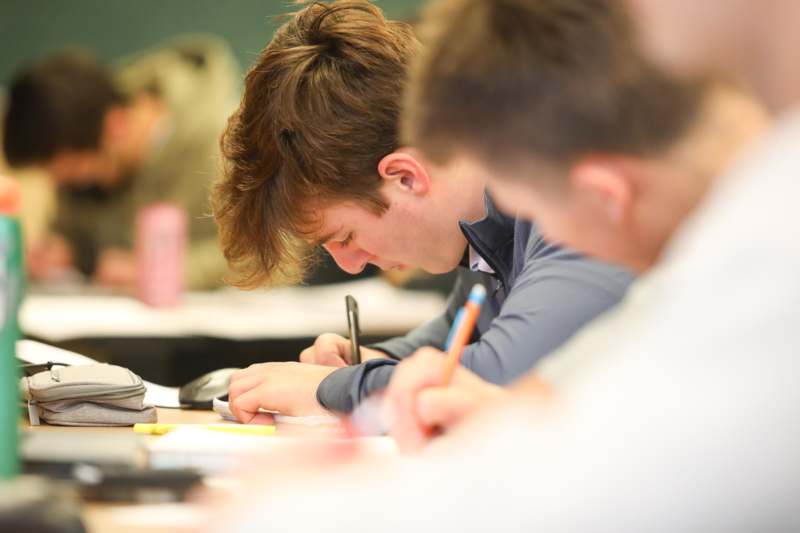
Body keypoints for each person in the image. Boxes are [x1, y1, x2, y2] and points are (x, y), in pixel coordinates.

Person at [206, 0, 800, 530]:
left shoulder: (757, 261)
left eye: (527, 208)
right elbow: (557, 402)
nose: (514, 223)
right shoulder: (735, 240)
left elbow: (619, 473)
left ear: (605, 193)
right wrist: (492, 407)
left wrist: (305, 478)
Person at [213, 0, 632, 421]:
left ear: (405, 177)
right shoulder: (484, 219)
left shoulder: (574, 192)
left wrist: (330, 389)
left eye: (345, 237)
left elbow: (501, 377)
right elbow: (458, 333)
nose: (350, 265)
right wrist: (378, 359)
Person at [2, 35, 239, 290]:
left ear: (115, 126)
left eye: (77, 175)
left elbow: (261, 254)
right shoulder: (80, 127)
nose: (74, 187)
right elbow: (81, 237)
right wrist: (68, 251)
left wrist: (166, 271)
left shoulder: (227, 144)